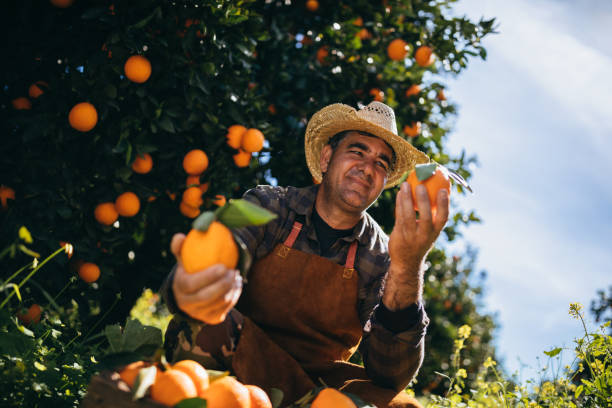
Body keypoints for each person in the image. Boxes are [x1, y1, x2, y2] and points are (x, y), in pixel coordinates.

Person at [161, 101, 450, 408]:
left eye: (381, 163)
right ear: (326, 158)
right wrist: (192, 285)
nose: (368, 168)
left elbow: (389, 374)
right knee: (207, 322)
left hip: (315, 390)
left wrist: (408, 265)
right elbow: (214, 262)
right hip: (239, 357)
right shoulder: (267, 206)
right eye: (357, 151)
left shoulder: (381, 255)